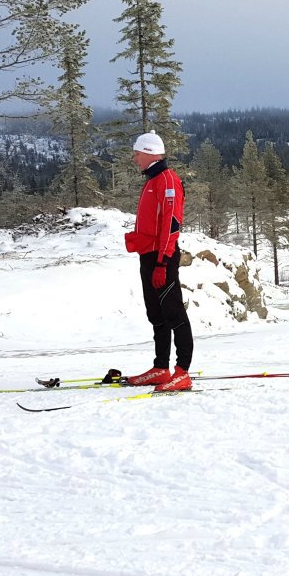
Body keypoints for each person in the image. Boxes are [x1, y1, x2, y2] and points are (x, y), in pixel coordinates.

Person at [115, 132, 193, 391]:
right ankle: (161, 367)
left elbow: (172, 225)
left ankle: (182, 371)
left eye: (137, 153)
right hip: (148, 255)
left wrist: (162, 262)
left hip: (163, 257)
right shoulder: (152, 180)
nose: (134, 157)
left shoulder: (167, 181)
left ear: (149, 152)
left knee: (174, 314)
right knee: (155, 314)